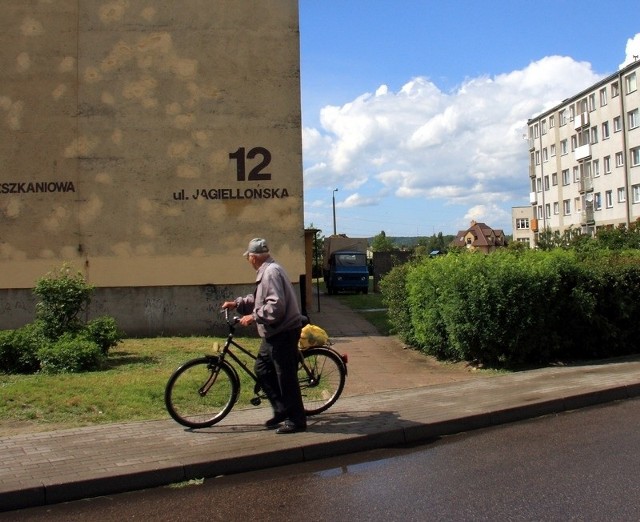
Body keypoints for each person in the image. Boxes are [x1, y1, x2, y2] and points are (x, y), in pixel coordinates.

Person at [222, 238, 307, 434]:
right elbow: (259, 299)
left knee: (286, 377)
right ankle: (281, 410)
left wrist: (252, 317)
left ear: (253, 257)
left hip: (283, 331)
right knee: (261, 369)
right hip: (274, 332)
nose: (248, 261)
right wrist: (237, 303)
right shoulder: (268, 270)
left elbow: (275, 306)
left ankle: (296, 420)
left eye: (248, 257)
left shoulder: (271, 273)